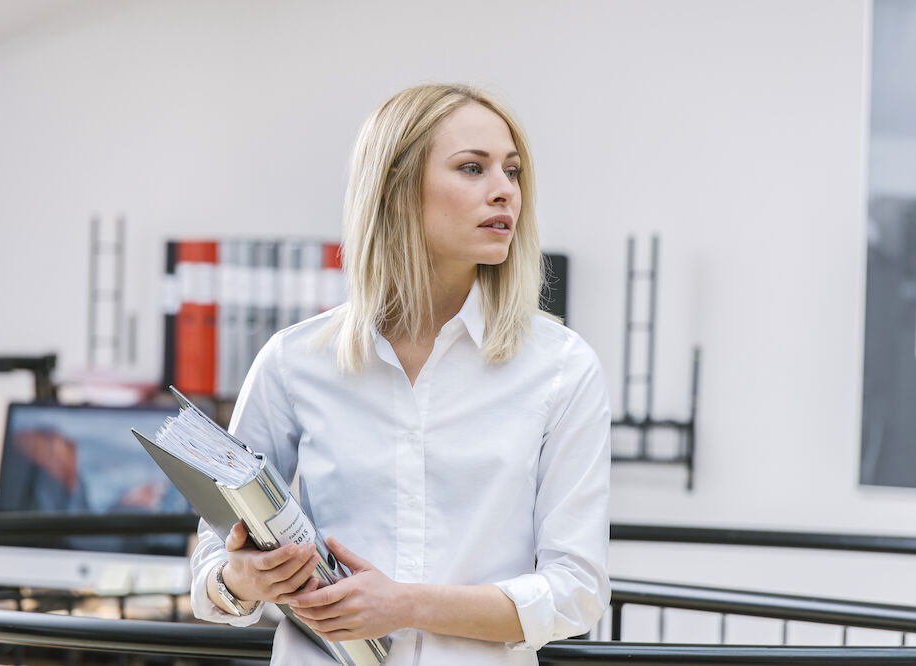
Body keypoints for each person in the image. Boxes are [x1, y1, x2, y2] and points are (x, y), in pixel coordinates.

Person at [190, 83, 611, 665]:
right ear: (395, 187)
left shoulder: (561, 367)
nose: (505, 191)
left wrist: (407, 605)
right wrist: (242, 580)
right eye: (473, 168)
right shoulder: (294, 362)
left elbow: (578, 592)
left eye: (512, 171)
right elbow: (213, 560)